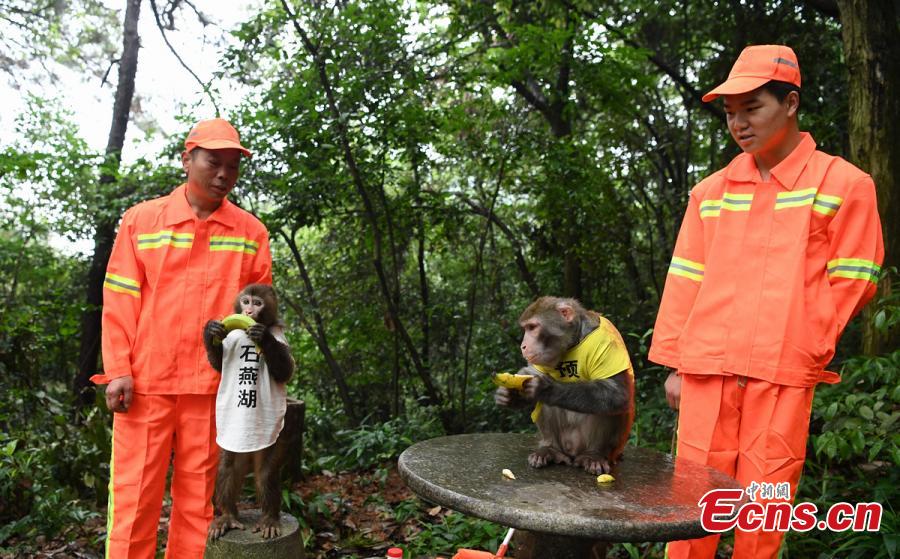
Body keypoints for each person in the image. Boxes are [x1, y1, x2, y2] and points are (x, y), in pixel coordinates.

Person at [649, 45, 883, 558]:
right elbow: (686, 277)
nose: (738, 123)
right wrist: (674, 364)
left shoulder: (844, 183)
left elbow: (857, 277)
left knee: (765, 504)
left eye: (752, 107)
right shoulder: (710, 193)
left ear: (791, 102)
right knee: (692, 508)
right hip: (706, 369)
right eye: (731, 113)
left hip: (781, 373)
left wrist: (805, 343)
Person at [91, 118, 273, 558]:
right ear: (187, 159)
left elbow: (260, 323)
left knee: (197, 506)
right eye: (214, 162)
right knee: (134, 502)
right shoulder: (142, 221)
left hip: (213, 391)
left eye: (233, 165)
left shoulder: (250, 233)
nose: (224, 174)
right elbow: (120, 300)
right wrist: (118, 371)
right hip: (146, 387)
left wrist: (252, 387)